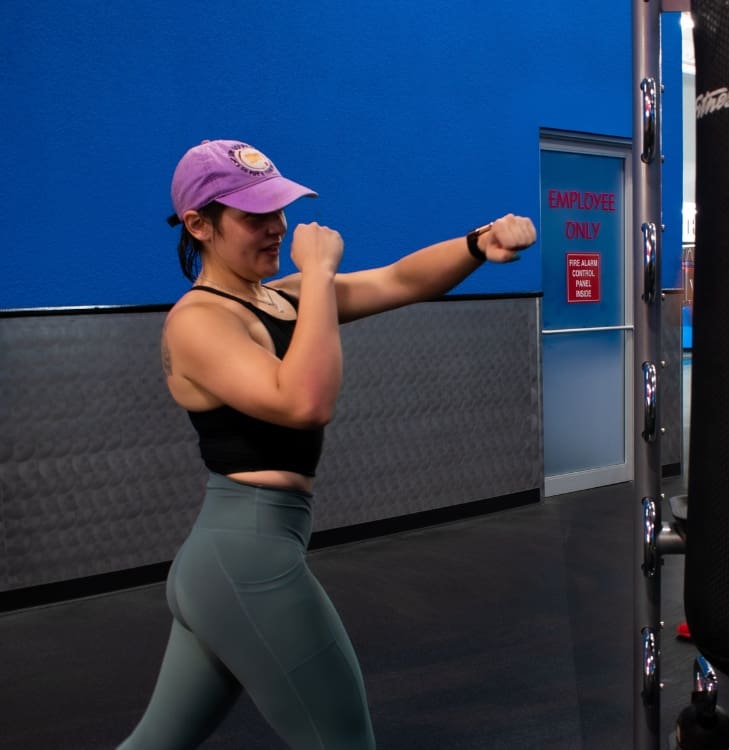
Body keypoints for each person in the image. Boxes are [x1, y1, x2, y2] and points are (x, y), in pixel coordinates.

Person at [118, 139, 537, 750]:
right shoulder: (200, 319)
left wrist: (477, 243)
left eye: (279, 209)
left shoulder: (277, 298)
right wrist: (317, 273)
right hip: (245, 560)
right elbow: (303, 402)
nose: (277, 227)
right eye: (255, 216)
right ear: (199, 224)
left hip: (234, 558)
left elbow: (399, 280)